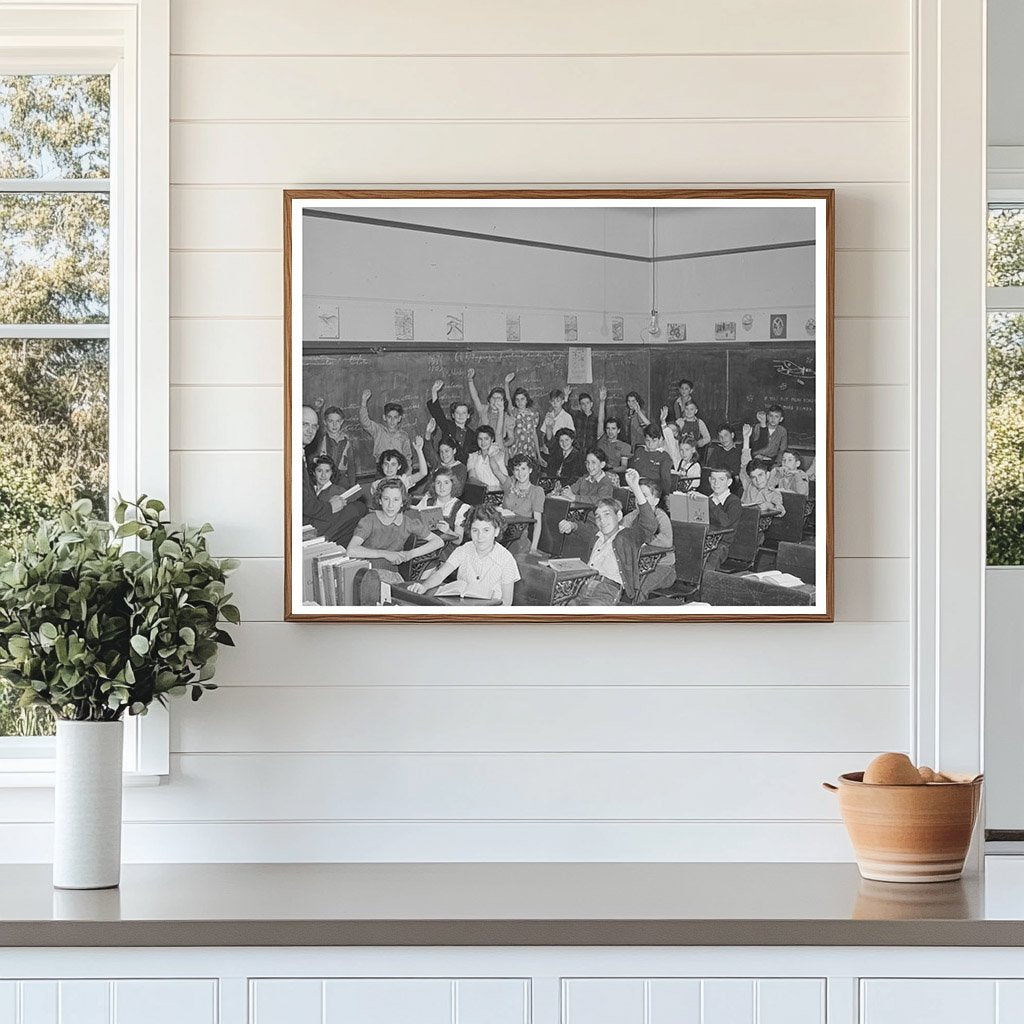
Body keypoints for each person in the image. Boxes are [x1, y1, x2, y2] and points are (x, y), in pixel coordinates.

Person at [562, 468, 657, 605]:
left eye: (607, 514)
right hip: (582, 586)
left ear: (619, 516)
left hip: (606, 591)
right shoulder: (597, 536)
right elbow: (584, 530)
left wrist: (635, 487)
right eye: (598, 517)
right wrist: (572, 525)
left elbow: (649, 525)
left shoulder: (625, 536)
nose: (602, 520)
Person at [408, 504, 521, 606]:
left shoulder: (506, 559)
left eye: (486, 530)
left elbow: (506, 602)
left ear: (496, 531)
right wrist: (424, 586)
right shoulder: (464, 549)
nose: (480, 536)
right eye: (475, 530)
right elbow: (440, 575)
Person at [347, 478, 443, 584]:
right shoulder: (369, 520)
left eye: (396, 500)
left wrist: (410, 554)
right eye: (386, 499)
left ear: (402, 502)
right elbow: (351, 550)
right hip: (366, 573)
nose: (391, 505)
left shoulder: (408, 522)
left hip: (392, 574)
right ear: (379, 500)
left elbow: (438, 541)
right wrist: (385, 554)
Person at [300, 405, 365, 546]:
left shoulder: (302, 452)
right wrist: (329, 507)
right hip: (303, 523)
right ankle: (316, 544)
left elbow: (351, 466)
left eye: (314, 426)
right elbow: (303, 502)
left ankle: (334, 551)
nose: (310, 430)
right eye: (304, 424)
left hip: (333, 489)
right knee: (357, 510)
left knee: (355, 510)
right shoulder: (296, 455)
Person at [621, 477, 676, 598]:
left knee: (639, 587)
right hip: (640, 564)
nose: (638, 499)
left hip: (662, 568)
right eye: (637, 495)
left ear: (655, 501)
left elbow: (666, 541)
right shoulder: (635, 514)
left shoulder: (660, 516)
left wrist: (643, 538)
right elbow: (621, 529)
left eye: (644, 496)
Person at [413, 468, 470, 546]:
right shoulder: (427, 501)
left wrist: (448, 531)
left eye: (446, 483)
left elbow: (459, 540)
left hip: (445, 550)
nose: (442, 487)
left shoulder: (461, 507)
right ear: (434, 485)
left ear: (452, 484)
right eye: (438, 483)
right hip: (423, 544)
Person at [501, 453, 545, 555]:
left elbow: (537, 522)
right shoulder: (509, 485)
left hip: (518, 537)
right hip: (500, 530)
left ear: (530, 470)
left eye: (523, 469)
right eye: (517, 469)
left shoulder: (536, 491)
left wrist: (533, 548)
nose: (520, 473)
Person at [740, 426, 784, 514]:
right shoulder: (749, 485)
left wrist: (769, 505)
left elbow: (781, 510)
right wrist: (746, 438)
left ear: (767, 475)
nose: (758, 480)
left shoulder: (773, 493)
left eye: (760, 475)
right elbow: (745, 463)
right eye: (753, 477)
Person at [427, 380, 475, 461]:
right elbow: (438, 414)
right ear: (453, 415)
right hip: (445, 466)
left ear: (468, 416)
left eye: (464, 413)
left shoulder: (472, 435)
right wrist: (434, 391)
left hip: (463, 469)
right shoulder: (448, 426)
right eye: (457, 413)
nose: (460, 415)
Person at [359, 388, 412, 461]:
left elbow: (407, 457)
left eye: (395, 417)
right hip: (381, 468)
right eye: (389, 417)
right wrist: (363, 402)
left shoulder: (404, 436)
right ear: (384, 417)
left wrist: (407, 472)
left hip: (398, 469)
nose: (392, 420)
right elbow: (365, 422)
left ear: (399, 419)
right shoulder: (378, 430)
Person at [369, 440, 428, 504]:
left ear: (399, 466)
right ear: (382, 466)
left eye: (393, 464)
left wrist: (419, 451)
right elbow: (377, 504)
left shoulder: (403, 480)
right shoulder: (376, 485)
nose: (389, 468)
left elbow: (423, 473)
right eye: (386, 464)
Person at [706, 467, 742, 570]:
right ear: (709, 480)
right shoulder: (709, 499)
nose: (716, 483)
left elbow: (725, 522)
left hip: (722, 544)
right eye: (713, 479)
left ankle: (705, 583)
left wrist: (710, 503)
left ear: (729, 482)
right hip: (706, 539)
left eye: (721, 479)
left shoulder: (734, 501)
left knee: (710, 559)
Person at [315, 404, 356, 490]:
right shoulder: (321, 439)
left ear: (341, 422)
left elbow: (351, 466)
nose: (334, 425)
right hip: (324, 477)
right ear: (325, 422)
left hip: (341, 479)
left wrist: (352, 486)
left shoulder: (347, 441)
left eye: (337, 421)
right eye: (330, 421)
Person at [503, 372, 542, 461]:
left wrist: (538, 455)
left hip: (530, 448)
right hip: (517, 448)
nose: (520, 402)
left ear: (527, 400)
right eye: (517, 400)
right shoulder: (514, 412)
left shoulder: (534, 414)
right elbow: (508, 399)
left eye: (522, 399)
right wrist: (506, 383)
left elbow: (534, 434)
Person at [628, 425, 673, 498]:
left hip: (652, 491)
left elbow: (665, 479)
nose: (650, 444)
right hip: (635, 487)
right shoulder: (639, 451)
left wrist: (666, 495)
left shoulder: (664, 456)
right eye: (647, 440)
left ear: (660, 439)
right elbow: (631, 470)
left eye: (654, 440)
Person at [467, 367, 507, 441]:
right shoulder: (483, 410)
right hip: (481, 444)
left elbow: (506, 437)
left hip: (497, 447)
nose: (496, 401)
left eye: (499, 398)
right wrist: (470, 380)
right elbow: (475, 397)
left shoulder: (507, 417)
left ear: (503, 402)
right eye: (493, 398)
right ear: (489, 399)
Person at [466, 424, 508, 494]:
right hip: (480, 493)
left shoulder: (500, 455)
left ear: (492, 439)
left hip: (498, 493)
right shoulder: (472, 456)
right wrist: (485, 487)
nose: (483, 442)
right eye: (480, 439)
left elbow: (504, 479)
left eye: (486, 439)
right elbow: (472, 478)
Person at [596, 391, 632, 470]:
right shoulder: (601, 439)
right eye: (608, 428)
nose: (610, 431)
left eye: (613, 428)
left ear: (618, 430)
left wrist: (610, 469)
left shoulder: (625, 446)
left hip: (612, 474)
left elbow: (623, 467)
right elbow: (600, 421)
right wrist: (602, 402)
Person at [705, 423, 742, 488]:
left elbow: (738, 472)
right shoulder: (717, 450)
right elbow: (711, 468)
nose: (723, 439)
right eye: (720, 436)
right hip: (717, 482)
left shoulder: (739, 451)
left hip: (733, 484)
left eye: (726, 435)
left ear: (732, 435)